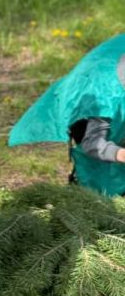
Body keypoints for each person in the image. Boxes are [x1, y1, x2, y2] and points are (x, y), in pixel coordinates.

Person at [9, 34, 125, 196]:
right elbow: (93, 143)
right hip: (90, 118)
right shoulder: (103, 98)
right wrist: (120, 154)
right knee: (98, 190)